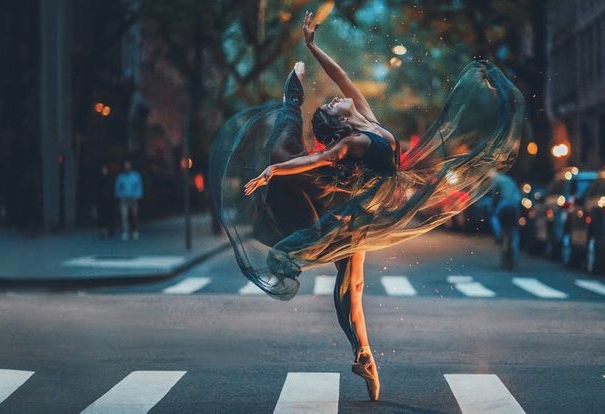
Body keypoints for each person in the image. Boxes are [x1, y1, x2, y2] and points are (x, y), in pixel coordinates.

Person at [210, 11, 524, 402]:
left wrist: (312, 45)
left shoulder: (367, 120)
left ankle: (364, 357)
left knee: (352, 286)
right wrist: (275, 168)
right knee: (351, 286)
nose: (337, 98)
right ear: (339, 124)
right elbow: (312, 161)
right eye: (331, 107)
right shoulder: (353, 142)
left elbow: (342, 76)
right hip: (356, 213)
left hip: (372, 205)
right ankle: (364, 355)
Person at [115, 160, 143, 241]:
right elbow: (117, 187)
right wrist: (119, 195)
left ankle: (135, 231)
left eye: (128, 165)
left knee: (134, 215)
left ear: (131, 166)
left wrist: (138, 195)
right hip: (124, 198)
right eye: (125, 165)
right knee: (124, 215)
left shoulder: (136, 175)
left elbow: (139, 186)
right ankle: (125, 232)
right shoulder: (121, 177)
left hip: (133, 198)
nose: (127, 167)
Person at [96, 164, 116, 238]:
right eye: (103, 169)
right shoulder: (99, 180)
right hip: (102, 201)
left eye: (105, 169)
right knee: (102, 216)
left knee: (110, 215)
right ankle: (103, 230)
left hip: (110, 201)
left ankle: (109, 230)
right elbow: (97, 191)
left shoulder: (110, 179)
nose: (104, 171)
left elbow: (112, 189)